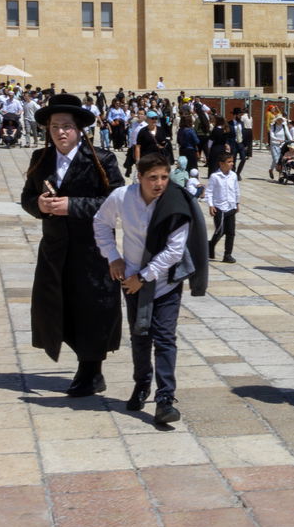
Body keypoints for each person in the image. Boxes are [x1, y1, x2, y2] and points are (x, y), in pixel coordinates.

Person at [93, 152, 209, 426]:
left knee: (165, 338)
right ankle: (141, 384)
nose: (159, 183)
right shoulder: (122, 197)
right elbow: (100, 222)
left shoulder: (175, 202)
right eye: (153, 178)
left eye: (164, 177)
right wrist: (113, 257)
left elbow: (174, 251)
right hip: (132, 279)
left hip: (164, 282)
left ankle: (165, 398)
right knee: (140, 335)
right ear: (139, 177)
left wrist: (143, 278)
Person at [22, 93, 125, 397]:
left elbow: (117, 201)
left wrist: (73, 205)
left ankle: (91, 370)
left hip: (92, 250)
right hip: (55, 249)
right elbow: (28, 197)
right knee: (56, 306)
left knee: (91, 309)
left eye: (66, 126)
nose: (60, 132)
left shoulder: (101, 159)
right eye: (55, 127)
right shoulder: (40, 159)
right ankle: (83, 364)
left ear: (79, 128)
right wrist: (39, 204)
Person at [205, 151, 239, 263]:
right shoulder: (215, 176)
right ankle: (211, 244)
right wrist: (211, 205)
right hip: (219, 207)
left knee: (231, 232)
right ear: (221, 164)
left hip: (231, 206)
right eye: (229, 162)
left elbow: (236, 189)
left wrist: (237, 203)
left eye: (232, 161)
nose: (232, 164)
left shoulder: (233, 175)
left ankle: (227, 254)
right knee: (220, 230)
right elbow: (209, 192)